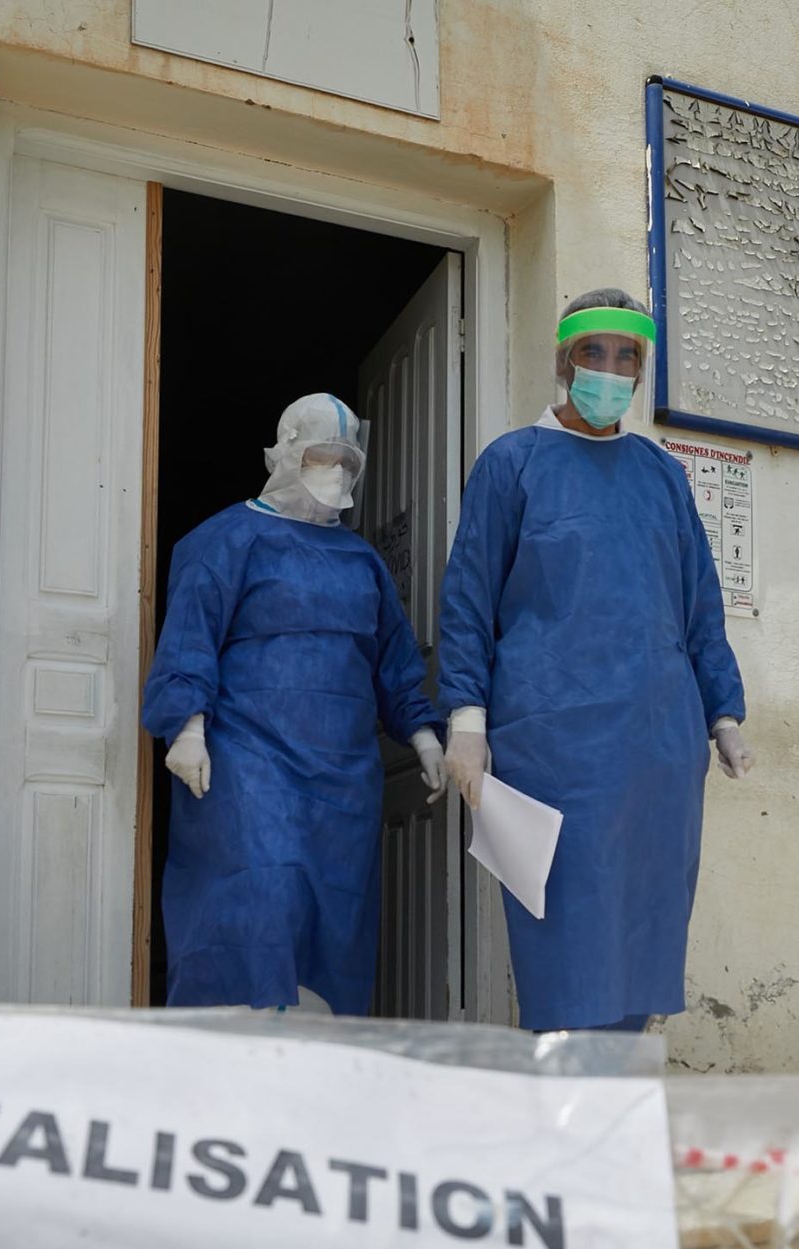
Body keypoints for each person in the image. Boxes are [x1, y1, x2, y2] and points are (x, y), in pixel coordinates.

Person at [434, 289, 752, 1034]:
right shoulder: (513, 464)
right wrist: (467, 719)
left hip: (658, 749)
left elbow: (700, 603)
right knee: (567, 942)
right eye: (592, 353)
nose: (608, 370)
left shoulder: (662, 475)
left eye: (625, 357)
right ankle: (567, 1116)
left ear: (641, 373)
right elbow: (469, 597)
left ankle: (621, 1116)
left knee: (645, 933)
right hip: (555, 747)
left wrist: (724, 712)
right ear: (564, 361)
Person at [140, 394, 446, 1015]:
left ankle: (315, 1080)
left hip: (343, 778)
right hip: (249, 764)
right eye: (319, 457)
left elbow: (392, 659)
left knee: (333, 918)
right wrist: (187, 727)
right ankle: (225, 1074)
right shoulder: (224, 541)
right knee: (259, 899)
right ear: (284, 452)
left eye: (346, 462)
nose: (333, 472)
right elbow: (191, 636)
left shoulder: (362, 562)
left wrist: (424, 735)